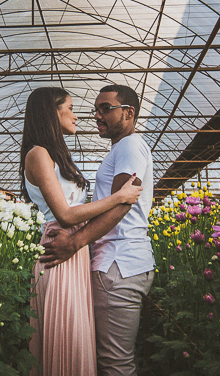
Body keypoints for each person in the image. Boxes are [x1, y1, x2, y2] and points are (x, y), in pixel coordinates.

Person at [21, 86, 143, 376]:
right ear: (53, 112)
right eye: (71, 108)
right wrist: (117, 197)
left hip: (73, 250)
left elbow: (72, 207)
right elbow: (64, 215)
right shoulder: (37, 154)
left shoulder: (54, 155)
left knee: (76, 337)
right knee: (66, 338)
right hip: (60, 248)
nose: (78, 116)